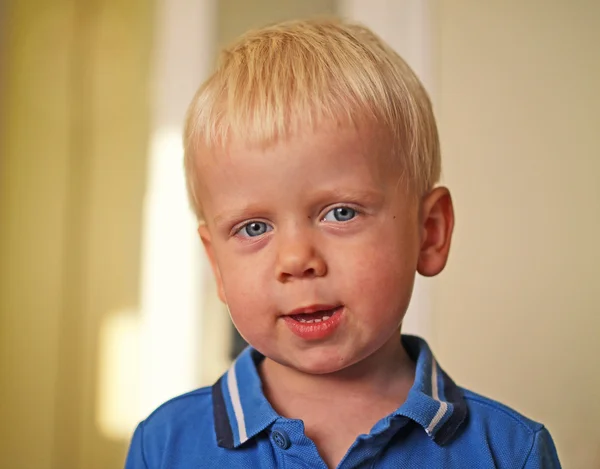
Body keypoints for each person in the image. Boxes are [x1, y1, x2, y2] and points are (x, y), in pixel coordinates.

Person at [125, 18, 561, 468]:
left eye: (341, 213)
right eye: (254, 228)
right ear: (216, 264)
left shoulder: (508, 451)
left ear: (429, 232)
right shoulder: (164, 446)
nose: (296, 260)